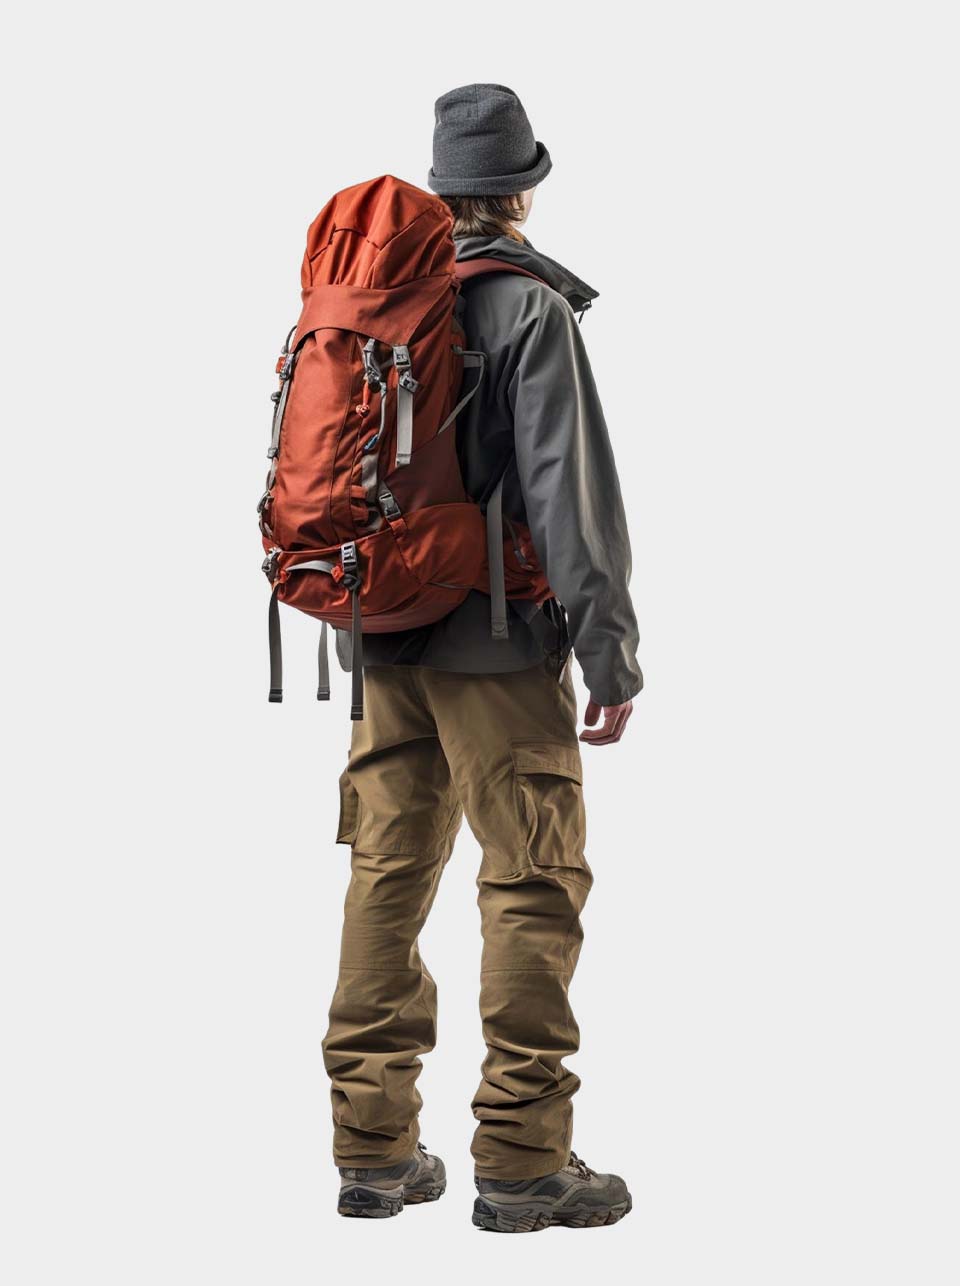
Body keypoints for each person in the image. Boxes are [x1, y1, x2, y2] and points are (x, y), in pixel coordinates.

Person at [323, 83, 643, 1232]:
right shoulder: (527, 308)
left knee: (386, 872)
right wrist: (611, 653)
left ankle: (372, 1150)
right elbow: (571, 498)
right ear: (520, 191)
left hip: (380, 634)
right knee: (531, 879)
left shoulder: (373, 302)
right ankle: (521, 1157)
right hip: (497, 649)